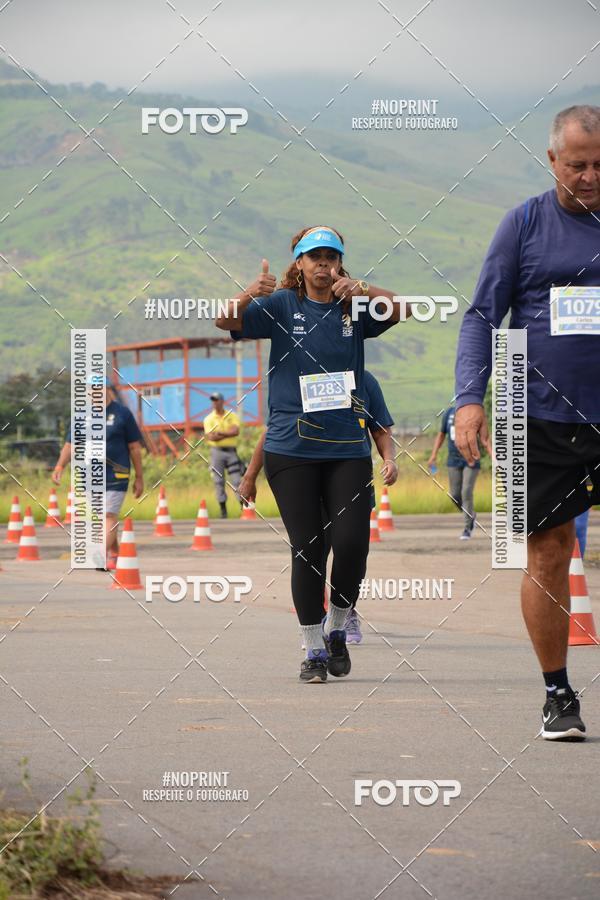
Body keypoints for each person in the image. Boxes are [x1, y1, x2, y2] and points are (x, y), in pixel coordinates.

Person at [454, 105, 600, 740]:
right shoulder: (525, 224)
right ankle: (557, 693)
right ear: (552, 161)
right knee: (548, 552)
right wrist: (469, 397)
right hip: (544, 419)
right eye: (578, 165)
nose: (591, 175)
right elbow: (482, 316)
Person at [216, 225, 407, 682]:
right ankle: (313, 650)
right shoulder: (281, 304)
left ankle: (338, 627)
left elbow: (401, 309)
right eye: (314, 257)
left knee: (352, 546)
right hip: (291, 450)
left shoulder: (353, 306)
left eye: (331, 257)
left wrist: (361, 287)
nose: (323, 264)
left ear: (340, 263)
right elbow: (225, 321)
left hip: (345, 448)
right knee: (308, 550)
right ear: (298, 264)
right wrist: (247, 293)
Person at [238, 369, 398, 644]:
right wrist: (250, 476)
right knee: (313, 554)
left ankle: (344, 612)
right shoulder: (299, 379)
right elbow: (274, 431)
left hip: (350, 477)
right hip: (308, 482)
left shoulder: (365, 381)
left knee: (350, 549)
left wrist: (390, 459)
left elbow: (380, 427)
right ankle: (314, 623)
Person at [52, 376, 144, 569]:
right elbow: (70, 445)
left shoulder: (123, 414)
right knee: (100, 518)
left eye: (98, 388)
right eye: (90, 389)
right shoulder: (81, 415)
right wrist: (60, 465)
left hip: (117, 474)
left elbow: (135, 448)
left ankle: (101, 555)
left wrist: (139, 477)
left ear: (107, 389)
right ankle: (115, 552)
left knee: (109, 515)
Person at [428, 405, 481, 540]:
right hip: (453, 460)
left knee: (466, 492)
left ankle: (467, 528)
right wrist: (433, 455)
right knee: (455, 495)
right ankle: (470, 515)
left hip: (471, 460)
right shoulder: (449, 413)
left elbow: (484, 435)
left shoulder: (473, 411)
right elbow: (441, 435)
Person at [203, 392, 243, 518]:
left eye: (217, 400)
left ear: (222, 401)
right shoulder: (208, 419)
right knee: (218, 481)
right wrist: (226, 433)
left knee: (237, 480)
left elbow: (235, 431)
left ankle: (244, 508)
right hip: (216, 452)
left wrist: (219, 433)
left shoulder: (232, 415)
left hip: (231, 451)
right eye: (213, 400)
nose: (215, 403)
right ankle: (223, 511)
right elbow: (211, 437)